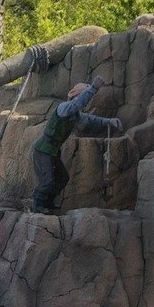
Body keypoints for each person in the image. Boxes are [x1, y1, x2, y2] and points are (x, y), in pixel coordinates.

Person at [31, 80, 123, 213]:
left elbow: (91, 120)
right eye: (84, 95)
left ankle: (48, 202)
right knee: (48, 179)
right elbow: (77, 104)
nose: (86, 102)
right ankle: (37, 204)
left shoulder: (75, 115)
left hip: (53, 151)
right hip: (44, 149)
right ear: (74, 94)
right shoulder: (63, 107)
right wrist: (92, 89)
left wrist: (109, 121)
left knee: (63, 178)